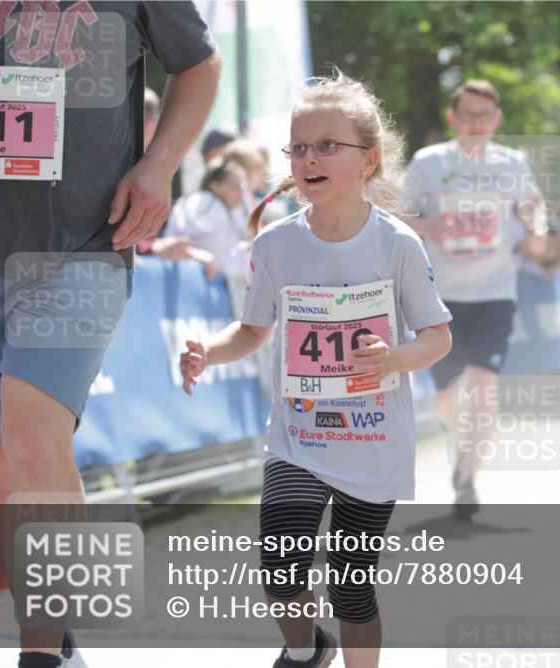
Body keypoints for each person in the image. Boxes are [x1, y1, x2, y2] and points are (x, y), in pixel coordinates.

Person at [179, 71, 452, 668]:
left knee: (351, 587)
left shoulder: (397, 245)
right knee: (279, 570)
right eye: (299, 148)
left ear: (369, 160)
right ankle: (305, 650)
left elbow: (438, 336)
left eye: (328, 145)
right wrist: (209, 350)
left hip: (373, 442)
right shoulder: (275, 245)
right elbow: (253, 330)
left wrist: (397, 357)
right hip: (300, 439)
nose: (309, 158)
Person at [0, 3, 219, 667]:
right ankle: (60, 641)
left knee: (31, 434)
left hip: (82, 241)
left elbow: (198, 64)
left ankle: (43, 655)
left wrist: (159, 164)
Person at [404, 79, 546, 519]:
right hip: (439, 297)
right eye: (467, 115)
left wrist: (537, 230)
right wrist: (431, 228)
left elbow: (532, 205)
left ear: (496, 119)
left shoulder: (511, 163)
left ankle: (467, 474)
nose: (475, 124)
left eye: (484, 116)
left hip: (494, 293)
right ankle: (461, 443)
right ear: (453, 118)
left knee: (484, 387)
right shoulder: (428, 163)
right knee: (448, 399)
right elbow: (396, 214)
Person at [164, 157, 251, 281]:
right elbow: (223, 264)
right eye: (235, 186)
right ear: (215, 186)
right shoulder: (210, 205)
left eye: (243, 186)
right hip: (191, 281)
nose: (241, 192)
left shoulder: (202, 202)